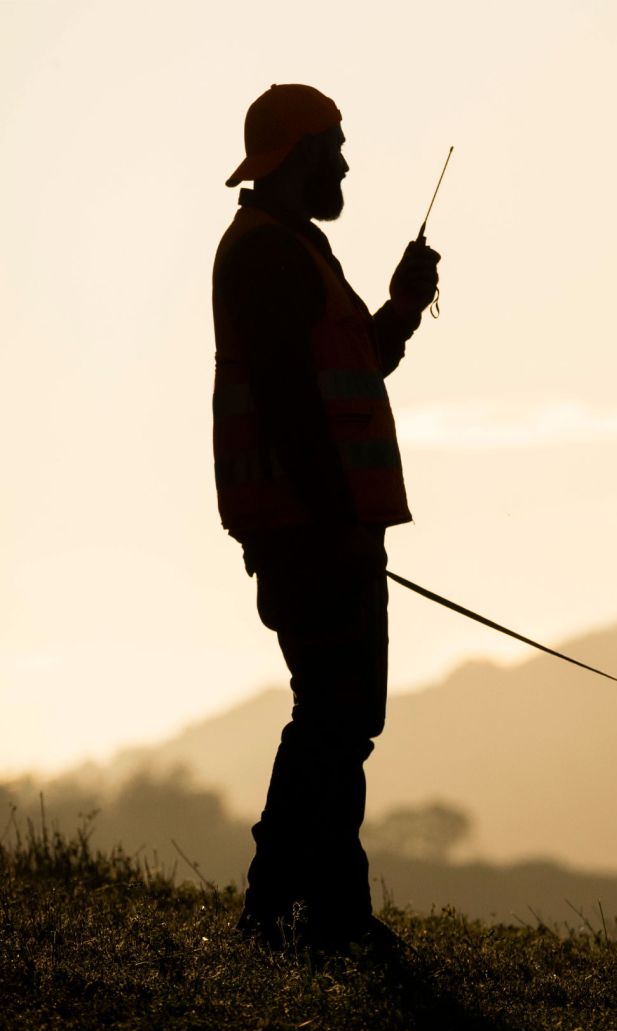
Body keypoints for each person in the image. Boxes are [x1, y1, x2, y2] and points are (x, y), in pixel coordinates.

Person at [211, 84, 440, 952]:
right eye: (335, 146)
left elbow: (352, 368)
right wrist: (337, 521)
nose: (344, 161)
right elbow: (289, 405)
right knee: (334, 716)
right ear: (300, 153)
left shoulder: (294, 250)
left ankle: (316, 910)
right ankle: (285, 908)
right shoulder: (268, 254)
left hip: (319, 523)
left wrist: (403, 307)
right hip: (312, 527)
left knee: (341, 718)